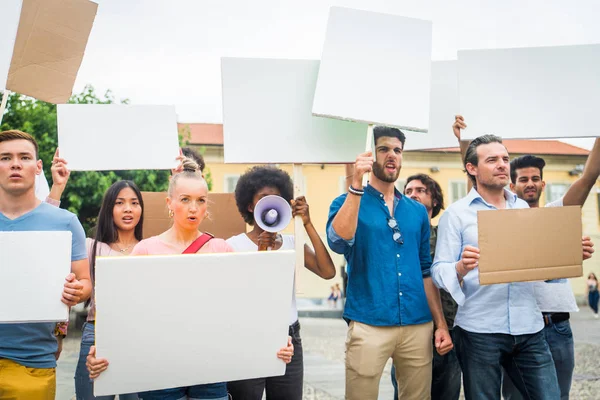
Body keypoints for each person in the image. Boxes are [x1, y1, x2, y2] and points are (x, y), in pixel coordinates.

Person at [85, 158, 294, 400]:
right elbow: (124, 311)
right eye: (185, 199)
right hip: (159, 370)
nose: (193, 208)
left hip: (210, 368)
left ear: (207, 206)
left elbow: (243, 306)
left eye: (201, 201)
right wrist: (100, 351)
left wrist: (276, 340)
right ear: (170, 203)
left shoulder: (221, 249)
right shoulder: (146, 249)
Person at [454, 116, 599, 400]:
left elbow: (588, 177)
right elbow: (476, 179)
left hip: (554, 324)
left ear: (544, 184)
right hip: (515, 328)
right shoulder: (501, 216)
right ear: (512, 183)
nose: (529, 184)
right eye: (523, 179)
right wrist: (464, 140)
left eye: (535, 179)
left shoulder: (556, 215)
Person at [327, 126, 452, 400]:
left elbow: (425, 271)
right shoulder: (345, 201)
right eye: (383, 149)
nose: (391, 155)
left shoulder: (417, 211)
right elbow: (338, 241)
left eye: (397, 150)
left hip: (418, 324)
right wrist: (356, 185)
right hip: (369, 321)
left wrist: (440, 324)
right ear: (370, 156)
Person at [431, 134, 561, 399]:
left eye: (505, 159)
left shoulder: (523, 207)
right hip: (480, 330)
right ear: (472, 168)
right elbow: (437, 271)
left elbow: (538, 265)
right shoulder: (456, 214)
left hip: (529, 327)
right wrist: (459, 267)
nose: (502, 165)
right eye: (492, 160)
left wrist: (565, 255)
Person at [226, 165, 336, 400]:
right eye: (263, 198)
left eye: (276, 198)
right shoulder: (234, 246)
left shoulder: (291, 244)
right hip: (248, 336)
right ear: (250, 205)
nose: (270, 202)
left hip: (288, 337)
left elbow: (327, 272)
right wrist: (261, 250)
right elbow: (244, 293)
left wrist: (306, 223)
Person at [0, 130, 92, 399]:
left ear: (38, 167)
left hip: (33, 361)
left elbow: (85, 283)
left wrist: (78, 291)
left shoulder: (65, 222)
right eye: (6, 157)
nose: (15, 163)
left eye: (24, 157)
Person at [389, 174, 461, 400]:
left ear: (435, 200)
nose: (412, 195)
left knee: (446, 394)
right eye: (408, 191)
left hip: (447, 327)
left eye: (420, 190)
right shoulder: (397, 237)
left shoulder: (446, 236)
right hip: (409, 328)